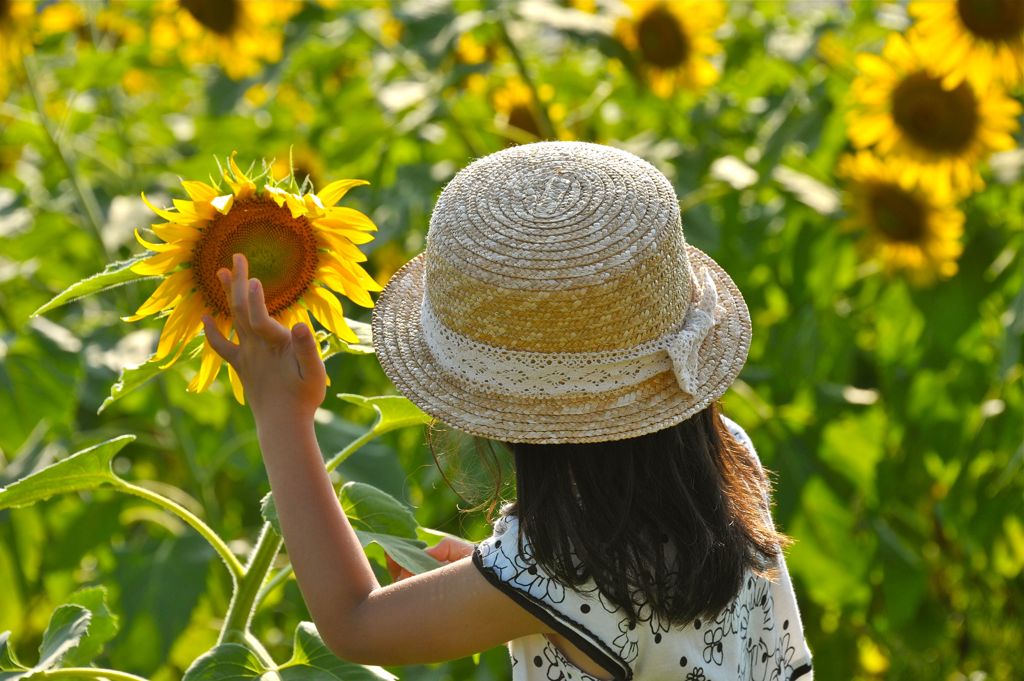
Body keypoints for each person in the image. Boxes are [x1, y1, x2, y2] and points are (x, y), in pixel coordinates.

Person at [202, 141, 814, 680]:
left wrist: (280, 414)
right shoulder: (729, 461)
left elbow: (355, 624)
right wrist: (489, 576)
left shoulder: (555, 570)